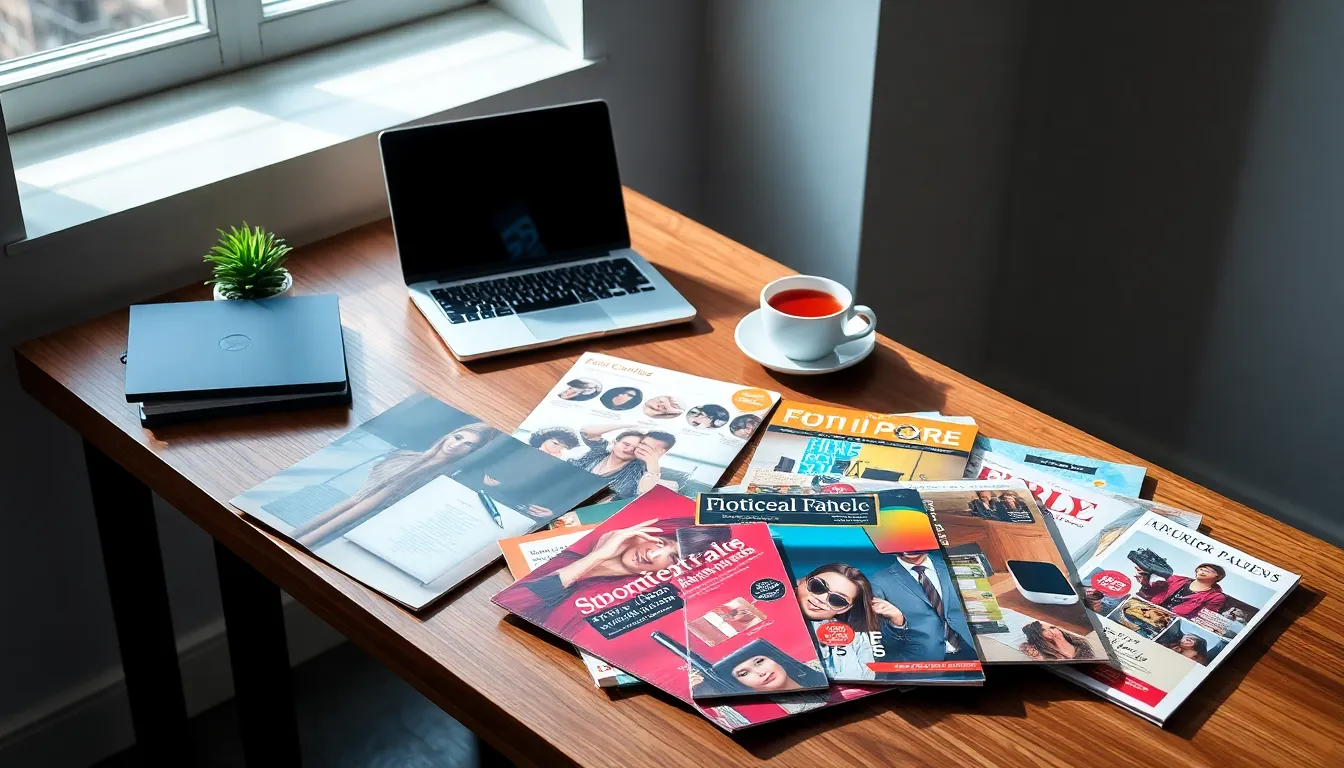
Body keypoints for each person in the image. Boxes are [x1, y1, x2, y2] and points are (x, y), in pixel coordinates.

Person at [292, 422, 499, 547]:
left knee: (360, 504)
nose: (456, 444)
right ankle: (295, 538)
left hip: (389, 509)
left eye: (468, 445)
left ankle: (300, 542)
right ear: (450, 435)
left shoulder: (443, 476)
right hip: (383, 484)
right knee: (354, 501)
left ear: (473, 452)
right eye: (458, 437)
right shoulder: (408, 457)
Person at [867, 551, 977, 671]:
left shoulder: (952, 566)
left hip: (970, 654)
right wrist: (897, 621)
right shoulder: (877, 581)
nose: (909, 549)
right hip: (922, 664)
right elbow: (878, 639)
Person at [795, 564, 890, 681]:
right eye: (817, 586)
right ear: (803, 580)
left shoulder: (857, 640)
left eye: (837, 600)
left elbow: (859, 679)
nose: (822, 599)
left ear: (846, 609)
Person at [569, 424, 677, 499]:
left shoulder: (637, 468)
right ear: (615, 442)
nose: (629, 449)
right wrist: (629, 425)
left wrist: (653, 464)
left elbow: (644, 493)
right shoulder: (599, 451)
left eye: (635, 448)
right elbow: (586, 431)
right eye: (626, 444)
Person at [1135, 561, 1229, 617]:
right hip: (1147, 609)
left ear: (1218, 577)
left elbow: (1202, 617)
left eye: (1209, 571)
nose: (1203, 571)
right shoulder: (1176, 579)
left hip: (1169, 620)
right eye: (1201, 569)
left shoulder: (1216, 597)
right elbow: (1152, 593)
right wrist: (1145, 583)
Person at [1018, 621, 1095, 660]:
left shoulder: (1081, 645)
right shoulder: (1046, 657)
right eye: (1043, 630)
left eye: (1052, 627)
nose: (1053, 631)